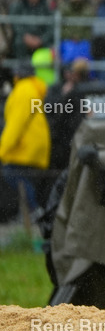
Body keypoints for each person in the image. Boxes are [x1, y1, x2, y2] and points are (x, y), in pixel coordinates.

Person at [0, 62, 52, 221]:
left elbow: (16, 125)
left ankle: (34, 211)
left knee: (11, 172)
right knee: (23, 179)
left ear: (17, 76)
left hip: (26, 147)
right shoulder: (33, 89)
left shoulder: (23, 91)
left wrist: (2, 150)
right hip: (37, 146)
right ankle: (25, 215)